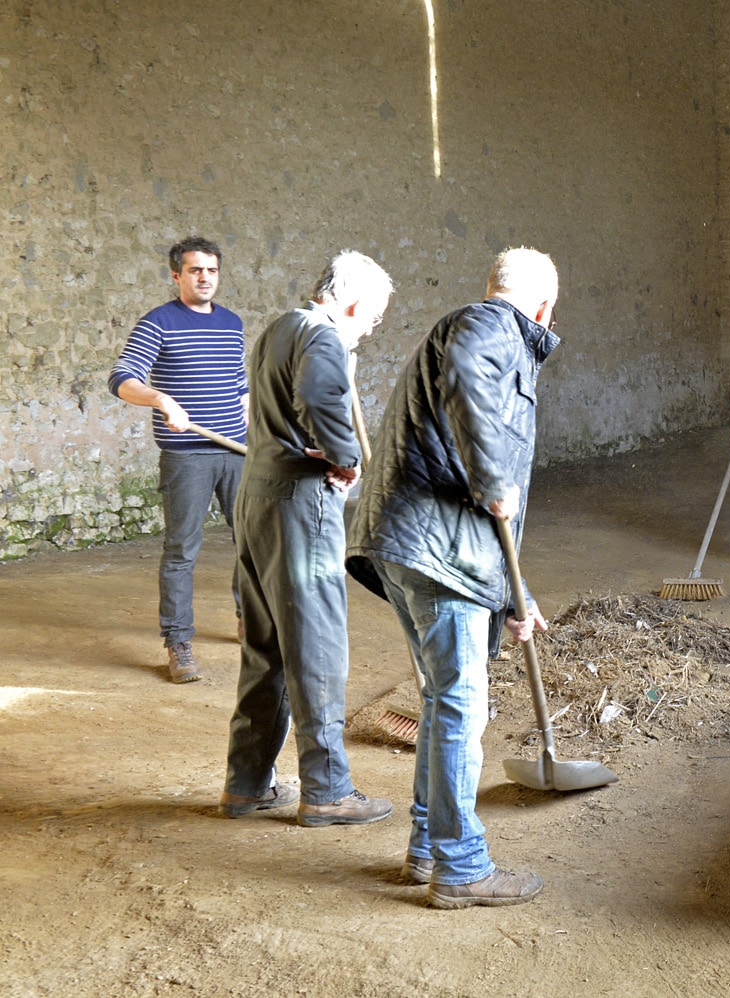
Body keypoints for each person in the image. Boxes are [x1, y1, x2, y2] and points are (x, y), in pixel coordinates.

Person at [346, 246, 559, 908]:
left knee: (443, 701)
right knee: (461, 706)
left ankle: (425, 849)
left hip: (427, 547)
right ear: (543, 306)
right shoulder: (487, 326)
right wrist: (495, 482)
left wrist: (509, 597)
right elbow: (471, 389)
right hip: (436, 550)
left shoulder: (474, 326)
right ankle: (462, 867)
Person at [219, 250, 395, 827]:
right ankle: (326, 789)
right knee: (316, 648)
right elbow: (321, 400)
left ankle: (246, 784)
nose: (370, 331)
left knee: (265, 650)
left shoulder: (281, 326)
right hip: (300, 504)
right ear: (351, 303)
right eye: (372, 319)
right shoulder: (322, 338)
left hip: (258, 496)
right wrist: (345, 458)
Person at [109, 237, 247, 683]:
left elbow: (239, 389)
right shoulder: (158, 323)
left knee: (254, 545)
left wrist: (258, 431)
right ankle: (178, 642)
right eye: (194, 270)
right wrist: (161, 398)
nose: (204, 277)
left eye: (211, 270)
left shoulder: (232, 323)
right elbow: (122, 378)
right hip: (187, 458)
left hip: (237, 453)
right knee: (182, 551)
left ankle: (251, 620)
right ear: (177, 276)